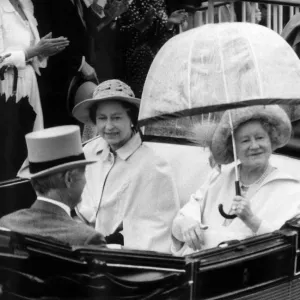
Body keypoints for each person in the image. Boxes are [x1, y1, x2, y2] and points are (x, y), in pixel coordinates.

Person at [171, 105, 300, 255]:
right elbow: (183, 219)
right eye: (245, 141)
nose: (254, 146)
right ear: (234, 147)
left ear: (271, 141)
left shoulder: (290, 190)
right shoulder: (219, 176)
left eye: (260, 138)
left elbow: (289, 247)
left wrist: (252, 220)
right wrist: (186, 223)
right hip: (197, 268)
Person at [72, 79, 180, 253]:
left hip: (125, 257)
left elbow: (155, 235)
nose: (108, 126)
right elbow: (78, 209)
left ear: (132, 119)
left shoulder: (154, 166)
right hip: (83, 248)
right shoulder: (88, 152)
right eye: (102, 118)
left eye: (116, 117)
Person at [0, 0, 69, 216]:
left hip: (29, 88)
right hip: (7, 91)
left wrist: (43, 51)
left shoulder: (26, 5)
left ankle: (23, 213)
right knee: (9, 154)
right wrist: (32, 52)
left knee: (29, 154)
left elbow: (33, 54)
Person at [0, 125, 106, 246]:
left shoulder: (5, 225)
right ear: (69, 178)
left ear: (33, 180)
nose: (86, 181)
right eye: (84, 174)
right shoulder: (88, 239)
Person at [118, 0, 188, 97]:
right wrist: (143, 24)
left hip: (160, 65)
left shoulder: (159, 3)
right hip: (138, 66)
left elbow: (162, 39)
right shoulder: (129, 4)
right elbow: (121, 35)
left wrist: (169, 24)